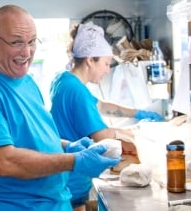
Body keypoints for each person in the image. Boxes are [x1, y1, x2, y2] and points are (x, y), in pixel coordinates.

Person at [0, 5, 121, 211]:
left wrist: (67, 146)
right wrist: (74, 161)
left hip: (55, 203)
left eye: (32, 41)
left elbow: (29, 136)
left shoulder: (26, 80)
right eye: (16, 42)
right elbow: (5, 161)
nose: (26, 52)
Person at [49, 22, 163, 211]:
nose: (108, 70)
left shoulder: (64, 79)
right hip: (73, 179)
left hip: (68, 176)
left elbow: (101, 105)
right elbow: (103, 136)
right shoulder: (76, 90)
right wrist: (139, 132)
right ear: (89, 60)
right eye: (106, 63)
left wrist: (137, 112)